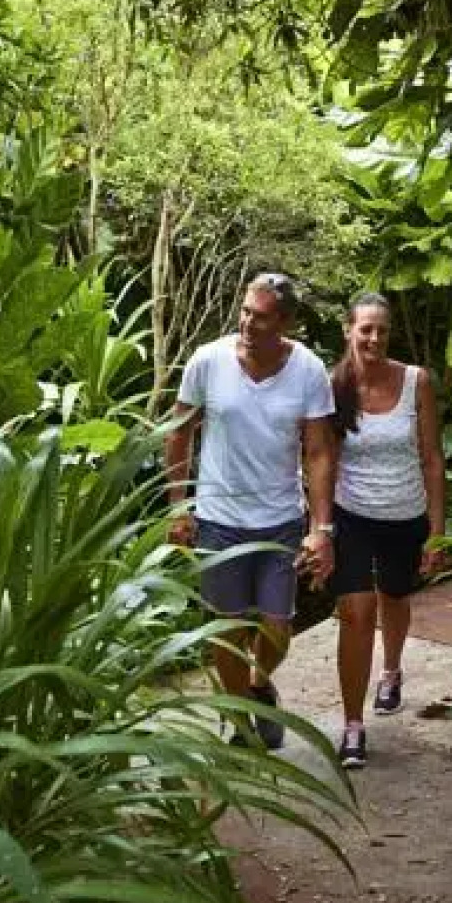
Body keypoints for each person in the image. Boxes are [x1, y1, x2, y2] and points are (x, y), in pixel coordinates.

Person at [166, 272, 338, 749]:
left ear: (284, 323)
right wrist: (177, 507)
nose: (246, 322)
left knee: (276, 626)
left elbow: (319, 450)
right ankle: (242, 719)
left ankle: (259, 684)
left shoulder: (307, 370)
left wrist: (322, 528)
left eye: (259, 317)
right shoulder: (208, 361)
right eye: (244, 311)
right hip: (218, 518)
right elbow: (179, 431)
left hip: (280, 519)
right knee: (226, 629)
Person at [326, 292, 447, 769]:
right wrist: (318, 529)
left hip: (406, 515)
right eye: (365, 329)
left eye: (382, 330)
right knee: (357, 611)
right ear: (349, 331)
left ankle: (392, 670)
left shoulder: (416, 381)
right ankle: (353, 726)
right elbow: (322, 459)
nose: (374, 338)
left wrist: (437, 531)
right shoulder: (333, 385)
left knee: (395, 597)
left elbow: (432, 457)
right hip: (351, 515)